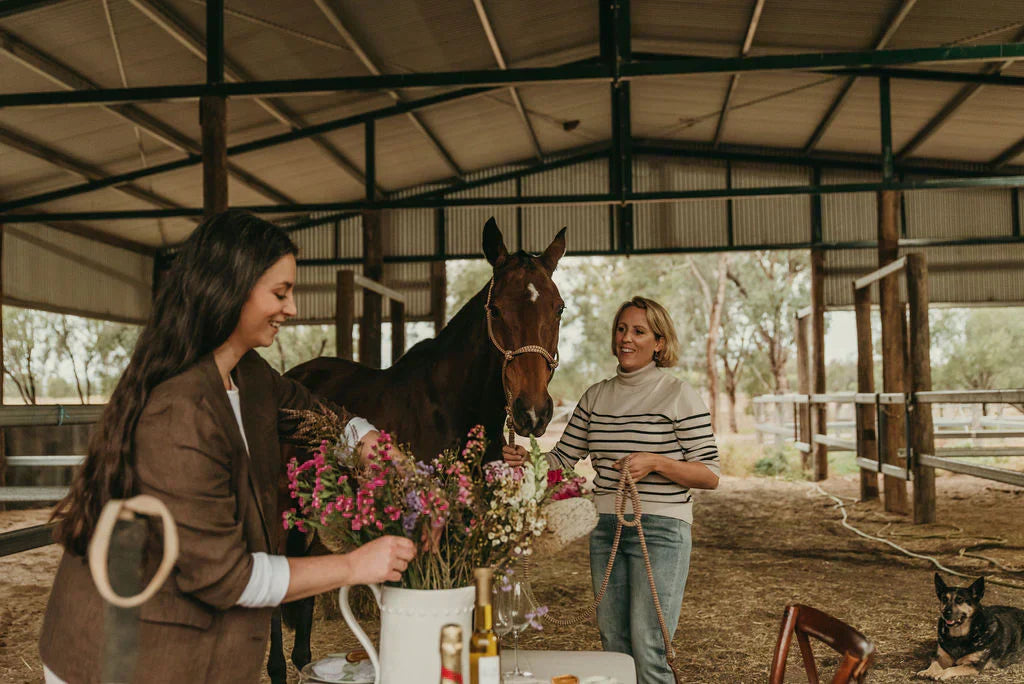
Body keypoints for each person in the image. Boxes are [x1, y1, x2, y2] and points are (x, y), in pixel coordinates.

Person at [39, 210, 415, 683]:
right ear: (229, 290)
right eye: (280, 293)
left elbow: (311, 412)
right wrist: (353, 565)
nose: (292, 309)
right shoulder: (178, 410)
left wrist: (370, 442)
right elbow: (227, 578)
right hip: (121, 655)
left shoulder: (249, 374)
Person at [503, 296, 719, 684]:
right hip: (608, 529)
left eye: (639, 331)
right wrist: (525, 459)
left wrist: (656, 463)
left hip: (663, 531)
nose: (626, 338)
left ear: (659, 343)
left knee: (651, 649)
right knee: (615, 646)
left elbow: (709, 475)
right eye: (621, 329)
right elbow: (561, 460)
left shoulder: (678, 394)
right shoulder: (596, 396)